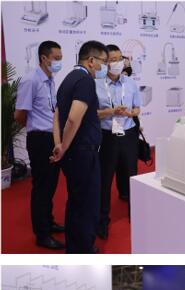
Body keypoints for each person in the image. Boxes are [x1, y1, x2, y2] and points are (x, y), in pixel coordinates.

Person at [51, 40, 108, 254]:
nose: (105, 67)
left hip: (74, 154)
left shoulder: (67, 79)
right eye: (104, 62)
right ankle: (83, 248)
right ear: (91, 60)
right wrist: (64, 146)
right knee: (87, 204)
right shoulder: (85, 81)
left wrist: (59, 144)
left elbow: (57, 116)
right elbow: (73, 119)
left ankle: (75, 247)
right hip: (83, 153)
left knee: (76, 202)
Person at [14, 40, 65, 250]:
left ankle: (49, 221)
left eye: (60, 58)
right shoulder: (31, 80)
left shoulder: (50, 79)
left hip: (52, 138)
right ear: (44, 58)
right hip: (39, 140)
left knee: (51, 184)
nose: (59, 62)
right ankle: (42, 234)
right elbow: (19, 114)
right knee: (42, 187)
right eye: (56, 58)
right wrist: (35, 128)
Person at [95, 44, 141, 239]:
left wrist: (131, 113)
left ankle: (135, 214)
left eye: (119, 58)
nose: (117, 63)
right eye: (112, 60)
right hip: (107, 136)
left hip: (128, 134)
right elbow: (92, 113)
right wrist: (111, 111)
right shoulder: (96, 84)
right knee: (104, 180)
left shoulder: (130, 83)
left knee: (132, 176)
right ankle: (102, 221)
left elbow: (137, 108)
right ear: (105, 62)